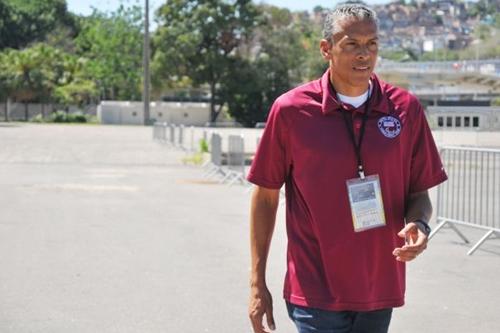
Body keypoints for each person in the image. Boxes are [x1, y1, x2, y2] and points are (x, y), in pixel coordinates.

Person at [247, 3, 447, 333]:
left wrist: (419, 225)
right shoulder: (291, 111)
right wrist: (257, 283)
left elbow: (418, 191)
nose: (363, 54)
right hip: (314, 292)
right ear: (326, 49)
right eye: (351, 44)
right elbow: (265, 197)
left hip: (379, 289)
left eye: (372, 44)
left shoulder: (405, 110)